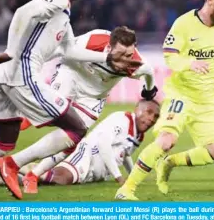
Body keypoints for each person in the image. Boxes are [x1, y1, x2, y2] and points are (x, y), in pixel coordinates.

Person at [0, 0, 141, 213]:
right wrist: (11, 50)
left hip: (6, 77)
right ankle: (12, 165)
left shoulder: (63, 14)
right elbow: (22, 12)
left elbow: (69, 51)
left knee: (0, 145)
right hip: (22, 75)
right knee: (77, 127)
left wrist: (109, 59)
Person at [115, 0, 214, 201]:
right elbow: (169, 57)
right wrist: (190, 64)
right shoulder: (184, 24)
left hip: (207, 100)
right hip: (181, 94)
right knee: (167, 140)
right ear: (210, 0)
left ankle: (169, 163)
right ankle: (126, 190)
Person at [16, 26, 157, 194]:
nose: (125, 60)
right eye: (120, 54)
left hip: (93, 98)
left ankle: (32, 175)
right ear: (109, 47)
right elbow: (65, 51)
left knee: (72, 139)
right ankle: (31, 115)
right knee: (55, 109)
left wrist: (148, 91)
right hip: (72, 74)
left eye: (128, 55)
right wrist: (35, 61)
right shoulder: (94, 39)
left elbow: (149, 74)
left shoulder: (136, 64)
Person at [0, 100, 160, 189]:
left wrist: (133, 175)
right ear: (138, 110)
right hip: (87, 154)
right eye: (149, 112)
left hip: (96, 171)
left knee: (52, 182)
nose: (151, 118)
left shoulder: (139, 135)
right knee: (59, 178)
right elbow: (103, 145)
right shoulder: (122, 119)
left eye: (156, 116)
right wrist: (120, 179)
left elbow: (124, 153)